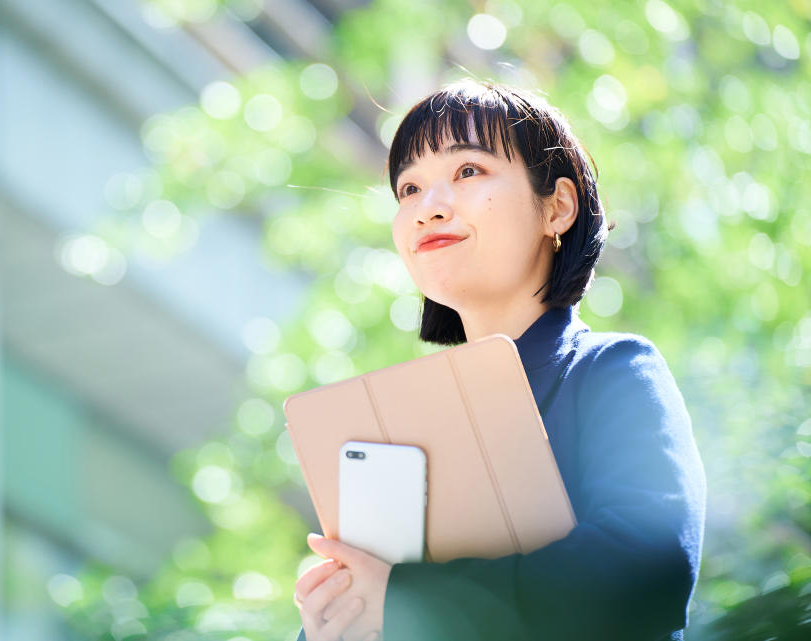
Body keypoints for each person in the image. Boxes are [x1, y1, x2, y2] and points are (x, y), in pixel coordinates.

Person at [291, 79, 707, 641]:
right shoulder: (392, 434)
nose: (426, 209)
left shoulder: (612, 372)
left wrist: (407, 600)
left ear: (557, 207)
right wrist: (337, 620)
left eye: (467, 171)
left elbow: (648, 569)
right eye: (409, 188)